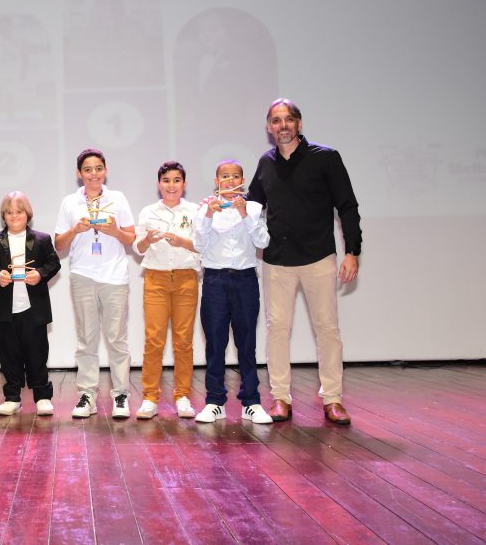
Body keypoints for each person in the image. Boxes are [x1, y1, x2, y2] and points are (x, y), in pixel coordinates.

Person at [248, 98, 362, 425]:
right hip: (277, 261)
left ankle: (333, 399)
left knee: (327, 329)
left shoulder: (326, 158)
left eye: (288, 119)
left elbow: (347, 205)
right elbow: (252, 207)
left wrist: (352, 251)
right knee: (277, 330)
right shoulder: (265, 163)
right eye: (276, 120)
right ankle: (280, 398)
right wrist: (223, 206)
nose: (282, 125)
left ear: (299, 124)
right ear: (269, 128)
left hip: (318, 258)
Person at [54, 148, 135, 419]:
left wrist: (114, 230)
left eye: (98, 168)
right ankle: (87, 395)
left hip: (115, 277)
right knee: (86, 339)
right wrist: (75, 229)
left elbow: (131, 238)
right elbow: (59, 244)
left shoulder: (118, 198)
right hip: (83, 276)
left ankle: (121, 394)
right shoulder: (70, 202)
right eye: (87, 169)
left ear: (105, 170)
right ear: (79, 174)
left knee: (117, 339)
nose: (93, 174)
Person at [192, 160, 273, 424]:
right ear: (217, 181)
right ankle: (215, 401)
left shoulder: (253, 207)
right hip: (215, 280)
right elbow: (198, 245)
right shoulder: (205, 208)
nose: (230, 180)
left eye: (235, 176)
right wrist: (208, 215)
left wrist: (245, 214)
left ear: (242, 180)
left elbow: (263, 242)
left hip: (245, 279)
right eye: (225, 176)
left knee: (246, 342)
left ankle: (251, 402)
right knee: (215, 343)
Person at [0, 191, 61, 416]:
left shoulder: (42, 239)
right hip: (6, 310)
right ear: (3, 216)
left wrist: (40, 274)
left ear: (28, 214)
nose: (14, 216)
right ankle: (12, 397)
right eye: (9, 212)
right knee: (9, 355)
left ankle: (42, 396)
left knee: (37, 353)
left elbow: (54, 263)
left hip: (34, 309)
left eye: (19, 212)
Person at [133, 161, 200, 420]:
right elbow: (138, 248)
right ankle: (150, 397)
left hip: (186, 279)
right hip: (156, 279)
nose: (171, 185)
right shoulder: (148, 212)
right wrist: (147, 240)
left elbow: (203, 245)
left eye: (176, 180)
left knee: (183, 341)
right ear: (159, 184)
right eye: (166, 180)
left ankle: (183, 395)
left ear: (184, 183)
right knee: (154, 340)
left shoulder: (195, 211)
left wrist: (183, 242)